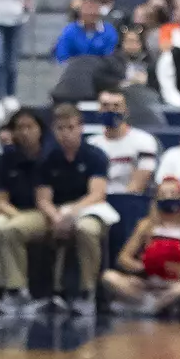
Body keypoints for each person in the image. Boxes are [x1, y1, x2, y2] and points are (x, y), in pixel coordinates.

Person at [99, 177, 180, 313]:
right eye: (163, 195)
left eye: (173, 194)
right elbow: (123, 258)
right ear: (157, 199)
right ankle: (155, 305)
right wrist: (145, 266)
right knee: (109, 277)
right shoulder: (146, 226)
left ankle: (154, 307)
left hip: (176, 285)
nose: (168, 198)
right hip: (148, 284)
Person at [33, 103, 111, 317]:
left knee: (87, 230)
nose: (66, 133)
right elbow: (42, 198)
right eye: (60, 128)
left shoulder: (95, 155)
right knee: (36, 228)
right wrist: (56, 216)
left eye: (70, 127)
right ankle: (47, 293)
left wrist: (70, 213)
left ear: (80, 128)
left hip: (89, 209)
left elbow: (97, 194)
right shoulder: (48, 158)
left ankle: (88, 292)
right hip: (56, 210)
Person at [0, 107, 47, 314]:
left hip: (42, 212)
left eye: (29, 127)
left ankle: (18, 291)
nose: (24, 132)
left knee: (12, 230)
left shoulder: (49, 156)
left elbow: (46, 200)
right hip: (14, 210)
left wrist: (18, 219)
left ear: (40, 129)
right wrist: (14, 215)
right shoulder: (4, 160)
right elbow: (0, 199)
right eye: (19, 128)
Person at [96, 88, 158, 195]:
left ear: (126, 111)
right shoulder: (91, 144)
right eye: (105, 105)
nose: (110, 110)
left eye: (116, 106)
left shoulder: (144, 141)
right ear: (99, 110)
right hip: (96, 202)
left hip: (129, 200)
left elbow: (138, 184)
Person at [53, 0, 118, 62]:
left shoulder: (109, 31)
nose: (90, 13)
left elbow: (109, 57)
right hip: (73, 69)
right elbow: (62, 57)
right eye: (87, 9)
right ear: (80, 11)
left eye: (94, 8)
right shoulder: (70, 30)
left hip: (101, 70)